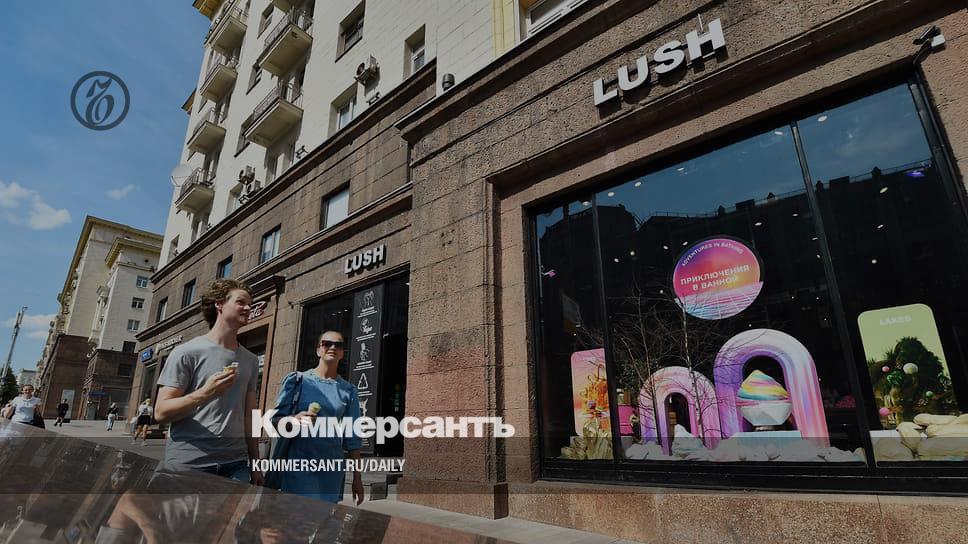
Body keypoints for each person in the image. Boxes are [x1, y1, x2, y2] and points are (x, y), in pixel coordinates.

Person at [153, 279, 264, 485]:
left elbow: (251, 415)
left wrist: (256, 463)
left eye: (250, 304)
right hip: (189, 463)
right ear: (219, 304)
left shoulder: (250, 360)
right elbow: (161, 413)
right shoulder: (186, 352)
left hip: (236, 463)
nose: (249, 308)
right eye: (241, 302)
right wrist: (206, 393)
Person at [270, 330, 364, 504]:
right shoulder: (298, 381)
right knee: (297, 519)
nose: (332, 347)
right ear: (318, 350)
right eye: (327, 344)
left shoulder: (348, 391)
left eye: (338, 345)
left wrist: (357, 478)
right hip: (299, 466)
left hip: (331, 470)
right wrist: (294, 420)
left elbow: (353, 438)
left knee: (325, 520)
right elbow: (275, 420)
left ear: (342, 353)